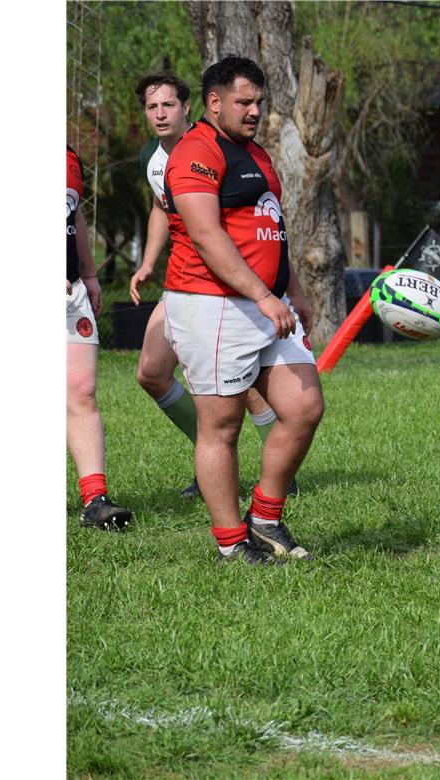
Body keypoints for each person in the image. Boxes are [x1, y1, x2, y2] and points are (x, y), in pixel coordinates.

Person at [162, 56, 324, 563]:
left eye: (259, 101)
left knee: (303, 407)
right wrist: (263, 295)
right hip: (211, 306)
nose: (255, 110)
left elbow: (270, 226)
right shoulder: (195, 152)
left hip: (266, 303)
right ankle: (232, 544)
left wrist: (292, 288)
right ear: (214, 102)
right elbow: (207, 238)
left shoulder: (256, 153)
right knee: (223, 425)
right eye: (244, 102)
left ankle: (266, 517)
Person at [128, 69, 293, 499]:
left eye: (168, 105)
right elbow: (162, 207)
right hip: (191, 279)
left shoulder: (207, 147)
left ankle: (268, 466)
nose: (160, 114)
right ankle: (213, 462)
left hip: (214, 281)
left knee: (241, 381)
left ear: (190, 107)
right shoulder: (153, 157)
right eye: (151, 107)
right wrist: (146, 261)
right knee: (151, 372)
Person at [67, 145, 133, 531]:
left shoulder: (69, 157)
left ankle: (95, 501)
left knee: (83, 389)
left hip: (70, 291)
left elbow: (74, 217)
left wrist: (89, 275)